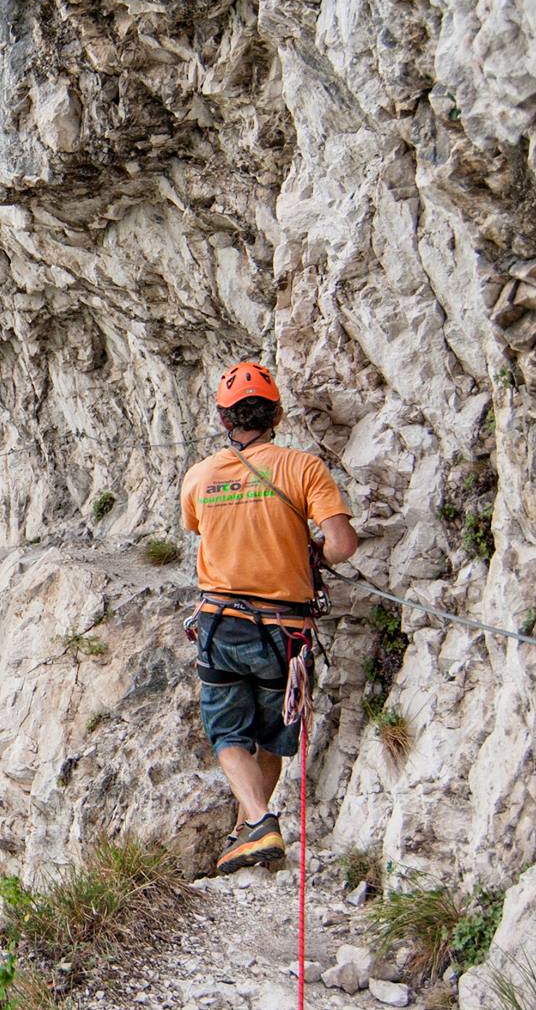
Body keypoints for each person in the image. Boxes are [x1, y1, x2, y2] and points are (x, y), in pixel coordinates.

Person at [179, 361, 358, 874]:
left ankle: (255, 821)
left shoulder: (201, 476)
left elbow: (198, 529)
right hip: (286, 630)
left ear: (222, 419)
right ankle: (248, 829)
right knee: (273, 733)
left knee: (227, 731)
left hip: (221, 622)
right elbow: (343, 544)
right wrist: (313, 554)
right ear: (276, 412)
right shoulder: (304, 469)